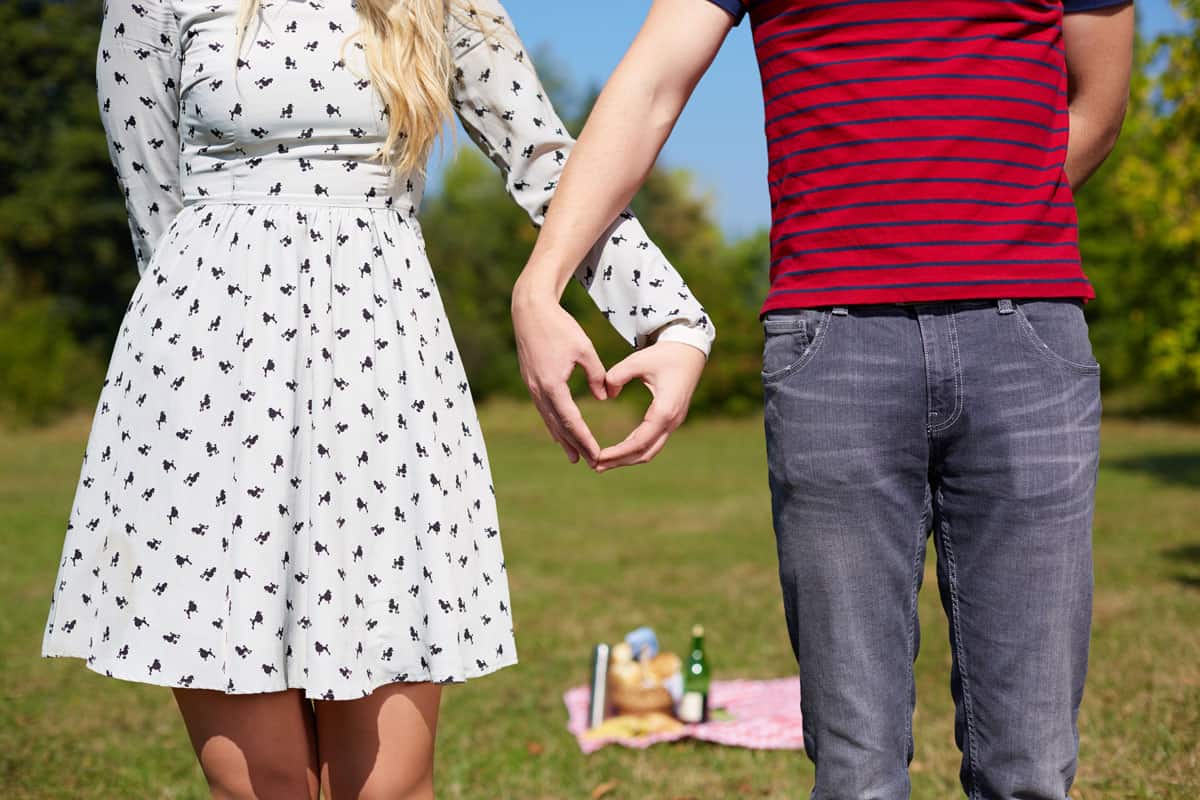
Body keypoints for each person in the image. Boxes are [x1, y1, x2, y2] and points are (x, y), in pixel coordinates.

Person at [40, 0, 712, 797]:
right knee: (262, 785)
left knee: (390, 782)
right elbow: (152, 207)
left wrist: (668, 319)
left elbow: (546, 160)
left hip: (382, 376)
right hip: (209, 378)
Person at [512, 0, 1134, 796]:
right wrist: (542, 280)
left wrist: (974, 222)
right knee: (855, 771)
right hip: (833, 347)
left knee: (1032, 766)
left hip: (1026, 340)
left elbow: (1099, 103)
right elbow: (652, 84)